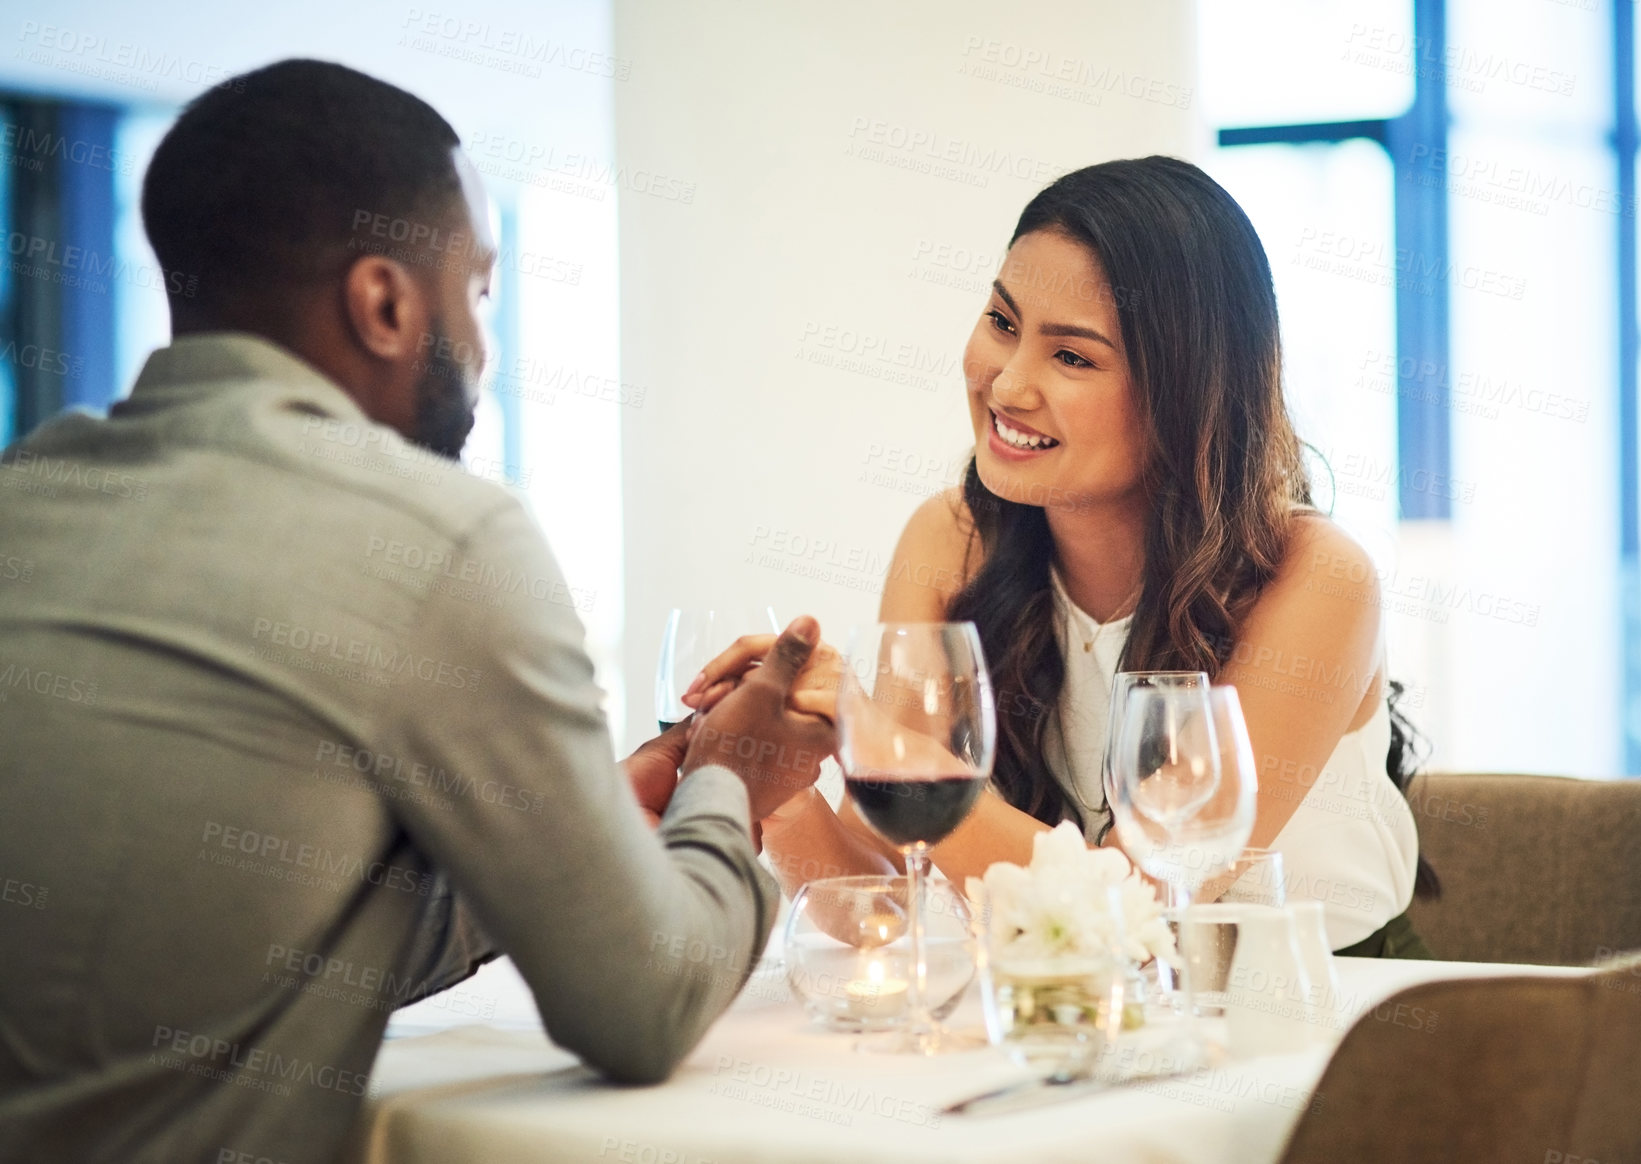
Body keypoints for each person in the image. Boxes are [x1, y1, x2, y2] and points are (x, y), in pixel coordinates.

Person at [0, 60, 833, 1164]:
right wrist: (732, 775)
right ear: (387, 303)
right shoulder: (441, 539)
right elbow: (645, 1008)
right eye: (479, 291)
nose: (485, 346)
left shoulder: (29, 493)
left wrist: (580, 825)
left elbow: (245, 939)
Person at [691, 157, 1435, 957]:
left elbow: (1134, 904)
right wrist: (767, 773)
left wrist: (880, 745)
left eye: (1072, 357)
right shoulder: (949, 541)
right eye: (1002, 323)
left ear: (1186, 394)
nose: (1006, 386)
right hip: (1081, 1009)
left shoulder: (1319, 575)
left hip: (1318, 1017)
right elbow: (880, 906)